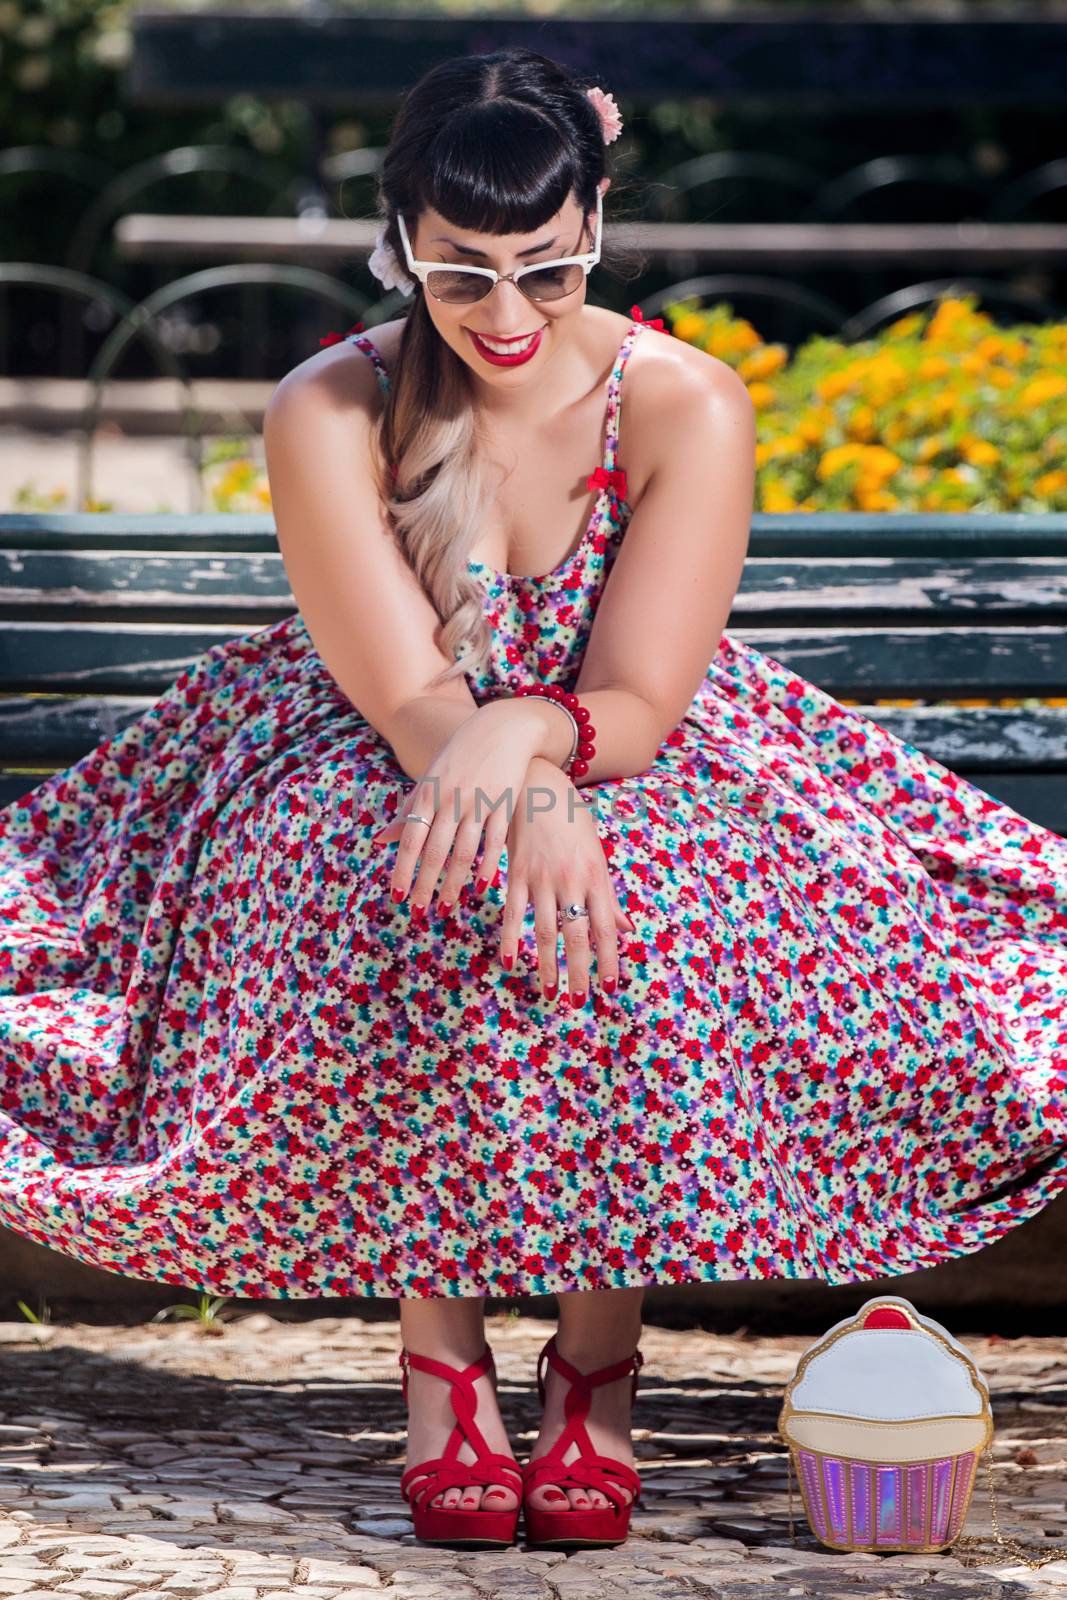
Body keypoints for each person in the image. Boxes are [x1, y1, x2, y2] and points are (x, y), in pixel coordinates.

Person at [2, 44, 1066, 1557]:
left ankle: (596, 1354)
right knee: (408, 881)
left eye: (548, 271)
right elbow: (408, 699)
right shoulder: (332, 407)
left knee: (640, 903)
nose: (507, 315)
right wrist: (510, 774)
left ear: (600, 220)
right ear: (401, 242)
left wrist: (545, 759)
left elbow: (639, 698)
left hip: (632, 742)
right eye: (463, 276)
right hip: (377, 734)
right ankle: (441, 1354)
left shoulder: (681, 402)